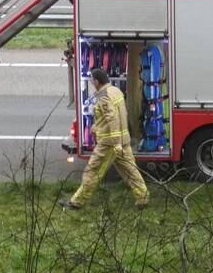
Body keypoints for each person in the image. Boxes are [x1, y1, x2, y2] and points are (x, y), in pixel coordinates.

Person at [61, 68, 149, 210]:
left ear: (97, 81)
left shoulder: (104, 97)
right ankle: (142, 197)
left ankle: (77, 202)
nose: (91, 81)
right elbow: (117, 115)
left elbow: (112, 118)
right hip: (123, 139)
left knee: (92, 171)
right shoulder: (115, 91)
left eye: (92, 79)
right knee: (130, 171)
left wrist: (115, 143)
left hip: (109, 143)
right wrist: (98, 126)